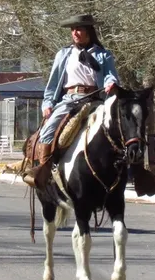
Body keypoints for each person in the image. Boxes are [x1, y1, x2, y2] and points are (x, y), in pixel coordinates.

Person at [24, 14, 118, 186]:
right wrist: (48, 104)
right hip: (70, 100)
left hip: (95, 99)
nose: (75, 32)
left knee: (119, 129)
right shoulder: (64, 54)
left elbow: (110, 76)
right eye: (72, 30)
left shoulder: (104, 55)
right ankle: (44, 170)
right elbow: (53, 83)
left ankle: (126, 170)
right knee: (47, 131)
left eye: (79, 29)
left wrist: (111, 84)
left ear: (89, 31)